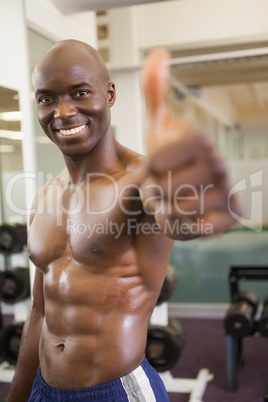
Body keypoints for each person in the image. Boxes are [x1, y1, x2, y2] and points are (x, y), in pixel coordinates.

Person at [7, 40, 239, 402]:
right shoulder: (43, 197)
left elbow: (188, 221)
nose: (63, 111)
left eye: (80, 93)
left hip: (117, 391)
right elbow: (39, 311)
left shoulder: (143, 180)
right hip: (43, 387)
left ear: (109, 94)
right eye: (47, 98)